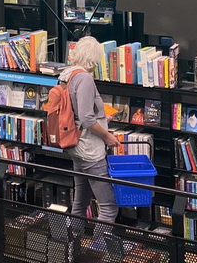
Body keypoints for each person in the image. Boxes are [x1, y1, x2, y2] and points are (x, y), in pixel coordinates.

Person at [62, 35, 120, 240]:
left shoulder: (67, 74)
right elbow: (86, 118)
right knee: (109, 208)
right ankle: (98, 251)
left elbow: (78, 113)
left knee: (80, 202)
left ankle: (74, 246)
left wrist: (102, 116)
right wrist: (108, 137)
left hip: (76, 146)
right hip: (90, 150)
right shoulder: (85, 78)